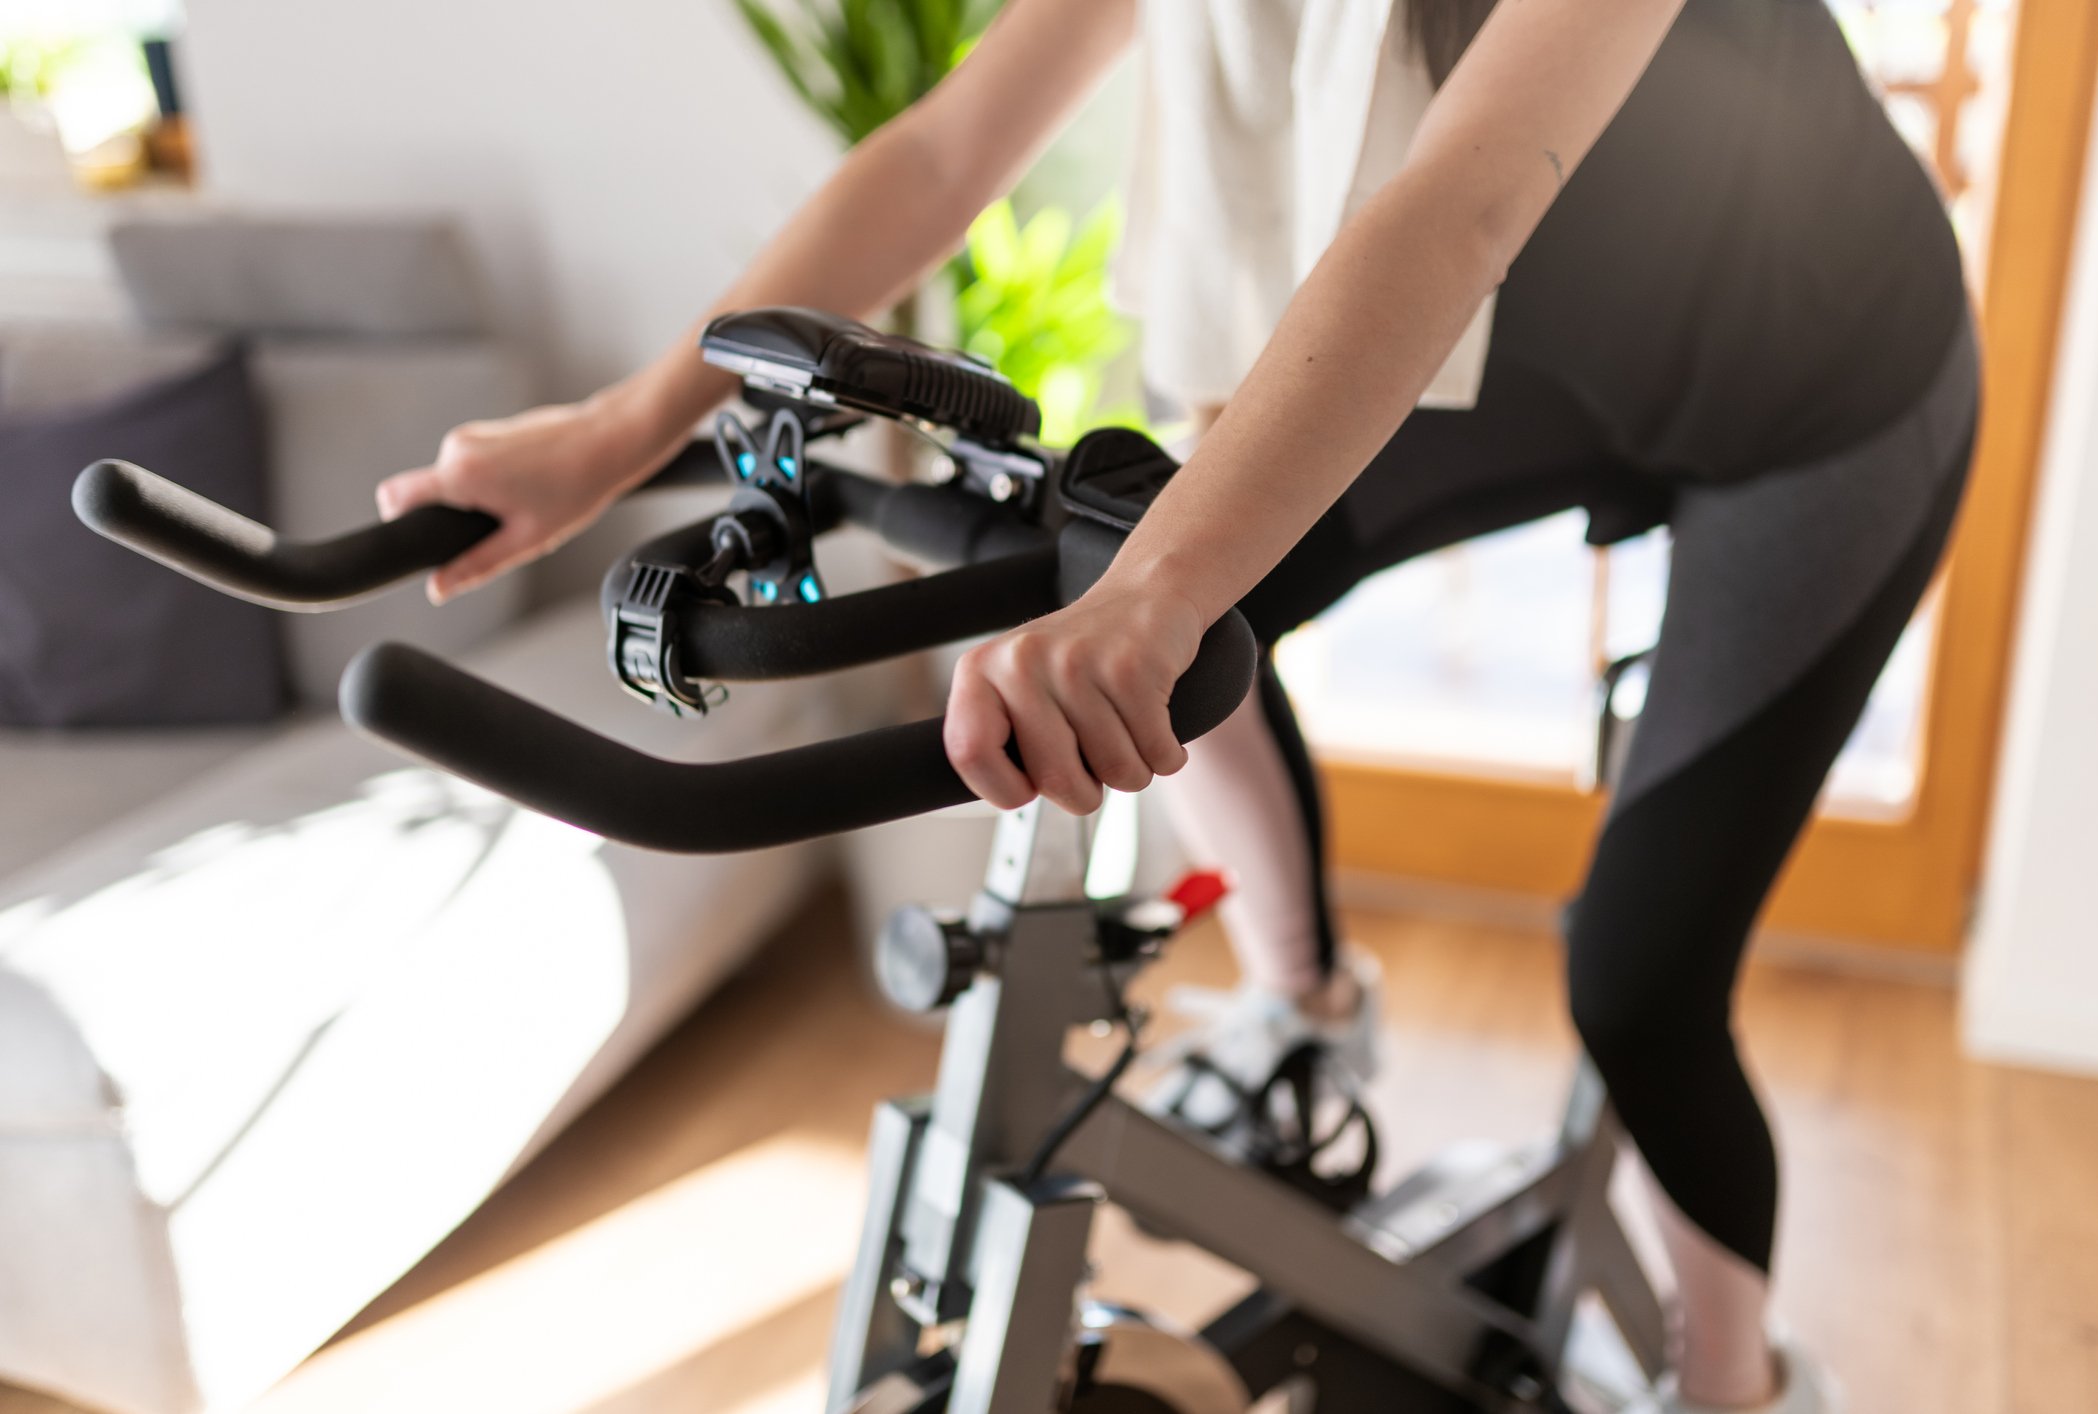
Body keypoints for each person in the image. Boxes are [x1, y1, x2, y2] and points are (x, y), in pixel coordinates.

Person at [380, 2, 1977, 1408]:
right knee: (1137, 552)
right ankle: (1305, 1007)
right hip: (1537, 348)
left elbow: (1461, 195)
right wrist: (624, 424)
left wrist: (1161, 592)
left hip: (1822, 398)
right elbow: (943, 151)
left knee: (1636, 980)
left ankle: (1734, 1378)